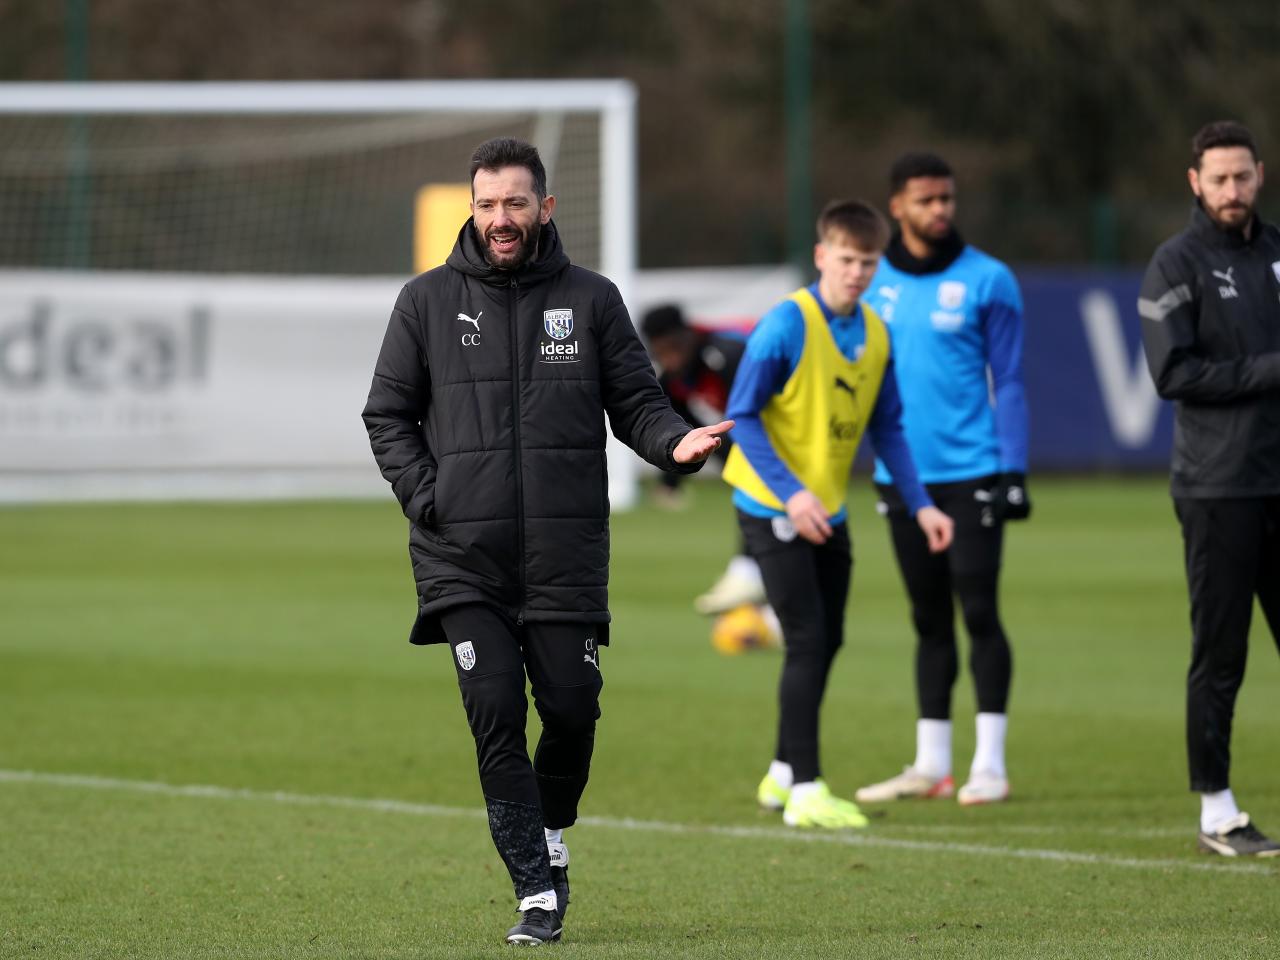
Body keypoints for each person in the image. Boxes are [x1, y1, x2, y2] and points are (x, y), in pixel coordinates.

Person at [361, 137, 733, 944]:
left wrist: (676, 443)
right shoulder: (425, 301)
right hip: (463, 557)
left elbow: (638, 403)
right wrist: (430, 498)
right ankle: (535, 890)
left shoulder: (592, 300)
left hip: (565, 555)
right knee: (495, 712)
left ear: (545, 207)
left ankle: (551, 831)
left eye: (515, 203)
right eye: (487, 204)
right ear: (472, 207)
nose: (500, 218)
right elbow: (386, 415)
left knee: (571, 710)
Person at [722, 199, 953, 828]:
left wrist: (922, 505)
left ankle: (780, 773)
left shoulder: (876, 333)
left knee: (829, 639)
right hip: (771, 504)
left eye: (868, 262)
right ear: (822, 255)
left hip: (826, 506)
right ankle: (807, 789)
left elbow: (889, 427)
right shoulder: (786, 325)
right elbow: (742, 415)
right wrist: (791, 493)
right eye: (847, 259)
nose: (857, 272)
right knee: (806, 639)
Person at [855, 153, 1030, 808]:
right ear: (897, 206)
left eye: (947, 199)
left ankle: (990, 764)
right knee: (928, 619)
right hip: (901, 478)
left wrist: (1013, 468)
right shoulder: (870, 281)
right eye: (926, 200)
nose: (940, 210)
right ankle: (931, 764)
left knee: (978, 611)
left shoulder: (989, 279)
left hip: (973, 472)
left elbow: (1009, 379)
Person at [1139, 120, 1280, 858]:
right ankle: (1218, 811)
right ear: (1195, 182)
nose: (1232, 190)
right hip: (1219, 487)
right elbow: (1173, 374)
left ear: (1260, 175)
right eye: (1218, 179)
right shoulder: (1175, 263)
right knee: (1222, 653)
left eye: (1242, 176)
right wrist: (1271, 368)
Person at [640, 304, 766, 615]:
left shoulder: (727, 354)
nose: (671, 358)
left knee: (760, 489)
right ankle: (750, 576)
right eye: (662, 352)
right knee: (754, 490)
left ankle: (747, 573)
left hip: (785, 417)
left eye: (674, 348)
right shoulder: (673, 378)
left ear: (687, 336)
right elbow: (684, 426)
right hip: (753, 430)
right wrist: (671, 480)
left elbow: (757, 407)